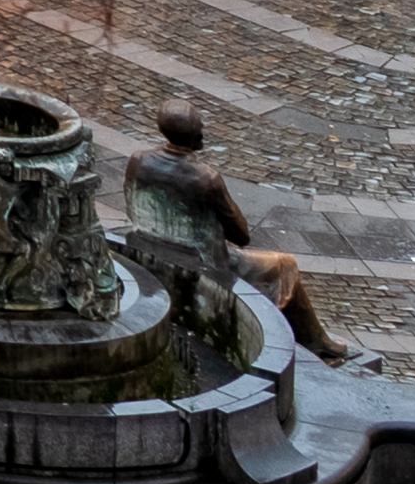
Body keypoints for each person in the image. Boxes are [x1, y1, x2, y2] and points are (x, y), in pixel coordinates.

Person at [123, 108, 334, 361]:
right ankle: (316, 342)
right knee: (284, 264)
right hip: (205, 263)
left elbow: (131, 205)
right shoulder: (206, 178)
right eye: (200, 126)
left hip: (150, 247)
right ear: (195, 134)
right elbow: (241, 235)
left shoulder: (138, 160)